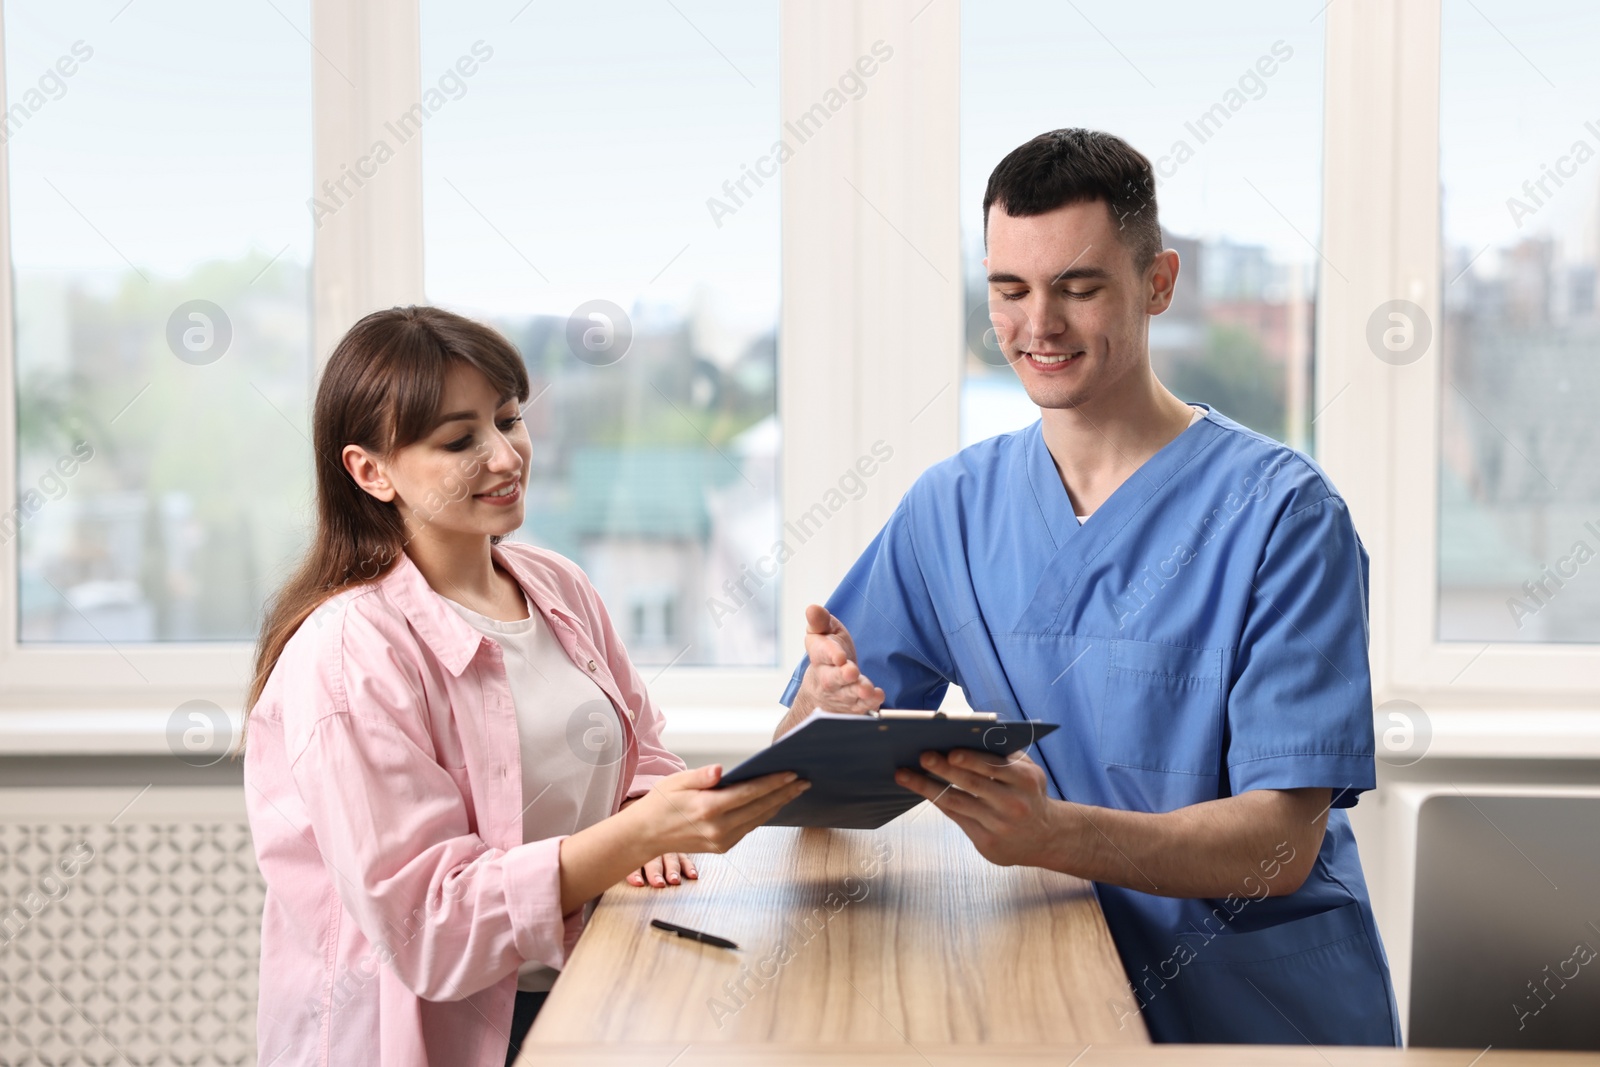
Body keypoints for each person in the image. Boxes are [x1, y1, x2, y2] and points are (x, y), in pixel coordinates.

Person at [776, 128, 1401, 1045]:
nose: (1039, 327)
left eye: (1077, 287)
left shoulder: (1283, 516)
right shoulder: (952, 508)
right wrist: (823, 720)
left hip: (1260, 1015)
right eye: (1010, 290)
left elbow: (1280, 842)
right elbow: (804, 785)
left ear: (1158, 283)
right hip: (1056, 994)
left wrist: (1052, 833)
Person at [242, 306, 808, 1067]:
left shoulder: (556, 586)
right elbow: (431, 928)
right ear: (369, 470)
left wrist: (644, 817)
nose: (506, 456)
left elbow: (639, 756)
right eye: (459, 439)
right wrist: (634, 838)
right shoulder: (349, 654)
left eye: (509, 420)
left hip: (583, 991)